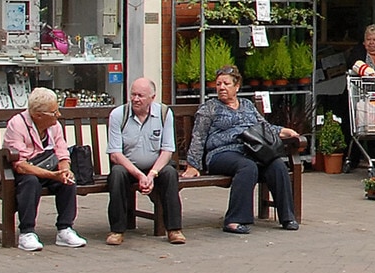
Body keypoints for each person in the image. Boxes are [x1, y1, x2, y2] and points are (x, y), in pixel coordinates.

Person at [185, 66, 303, 233]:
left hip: (251, 151)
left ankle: (287, 217)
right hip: (221, 154)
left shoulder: (247, 105)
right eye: (218, 84)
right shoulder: (210, 108)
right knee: (247, 167)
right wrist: (192, 165)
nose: (221, 87)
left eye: (226, 83)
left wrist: (283, 130)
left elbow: (264, 127)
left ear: (237, 86)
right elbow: (198, 137)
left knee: (277, 165)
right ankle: (234, 220)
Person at [4, 87, 86, 252]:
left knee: (68, 181)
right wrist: (53, 175)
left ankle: (65, 229)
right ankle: (26, 232)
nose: (59, 115)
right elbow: (20, 164)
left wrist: (64, 170)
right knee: (30, 182)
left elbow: (62, 152)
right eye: (54, 112)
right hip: (20, 172)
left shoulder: (54, 125)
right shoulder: (17, 124)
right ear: (38, 115)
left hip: (48, 167)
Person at [106, 77, 185, 245]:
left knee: (170, 173)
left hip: (155, 166)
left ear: (152, 97)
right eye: (133, 94)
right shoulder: (118, 114)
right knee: (116, 174)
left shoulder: (164, 113)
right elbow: (115, 154)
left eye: (140, 95)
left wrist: (152, 174)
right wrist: (139, 175)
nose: (135, 99)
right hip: (128, 166)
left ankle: (174, 229)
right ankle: (117, 231)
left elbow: (167, 150)